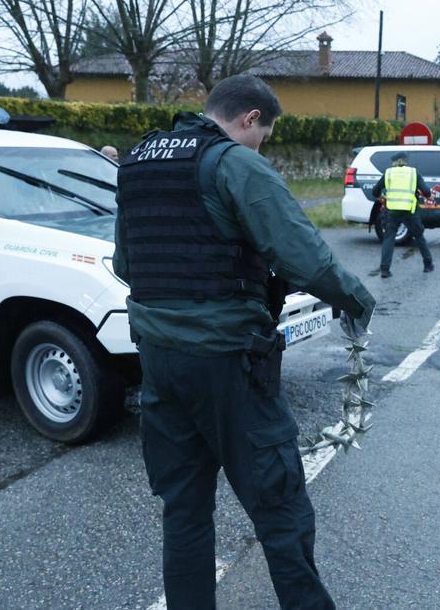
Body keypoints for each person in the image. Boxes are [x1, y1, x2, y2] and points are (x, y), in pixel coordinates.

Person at [114, 74, 374, 610]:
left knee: (184, 510)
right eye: (264, 135)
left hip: (159, 361)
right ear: (249, 118)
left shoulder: (138, 163)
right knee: (281, 509)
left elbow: (124, 263)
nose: (262, 146)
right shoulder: (235, 163)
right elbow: (304, 257)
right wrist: (355, 299)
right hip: (227, 362)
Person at [372, 153, 434, 278]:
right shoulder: (413, 173)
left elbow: (375, 191)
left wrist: (381, 198)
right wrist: (428, 196)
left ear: (394, 162)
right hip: (409, 211)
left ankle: (384, 270)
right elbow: (426, 191)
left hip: (393, 211)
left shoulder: (388, 173)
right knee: (419, 236)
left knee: (389, 239)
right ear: (405, 161)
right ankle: (428, 265)